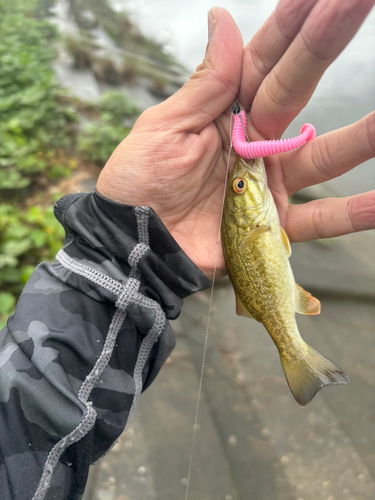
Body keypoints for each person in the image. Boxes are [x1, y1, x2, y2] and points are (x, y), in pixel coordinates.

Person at [1, 1, 374, 498]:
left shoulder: (253, 215)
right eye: (240, 189)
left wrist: (123, 246)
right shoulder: (258, 219)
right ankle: (296, 354)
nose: (244, 183)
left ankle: (295, 351)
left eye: (236, 188)